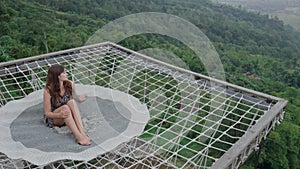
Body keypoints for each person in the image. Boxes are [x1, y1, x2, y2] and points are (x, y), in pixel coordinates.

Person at [43, 64, 91, 146]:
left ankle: (82, 133)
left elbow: (75, 97)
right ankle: (79, 137)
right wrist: (59, 115)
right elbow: (47, 114)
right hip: (55, 117)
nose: (67, 74)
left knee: (71, 102)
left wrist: (80, 98)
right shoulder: (48, 91)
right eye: (64, 73)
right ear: (58, 76)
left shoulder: (69, 84)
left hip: (67, 114)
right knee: (65, 107)